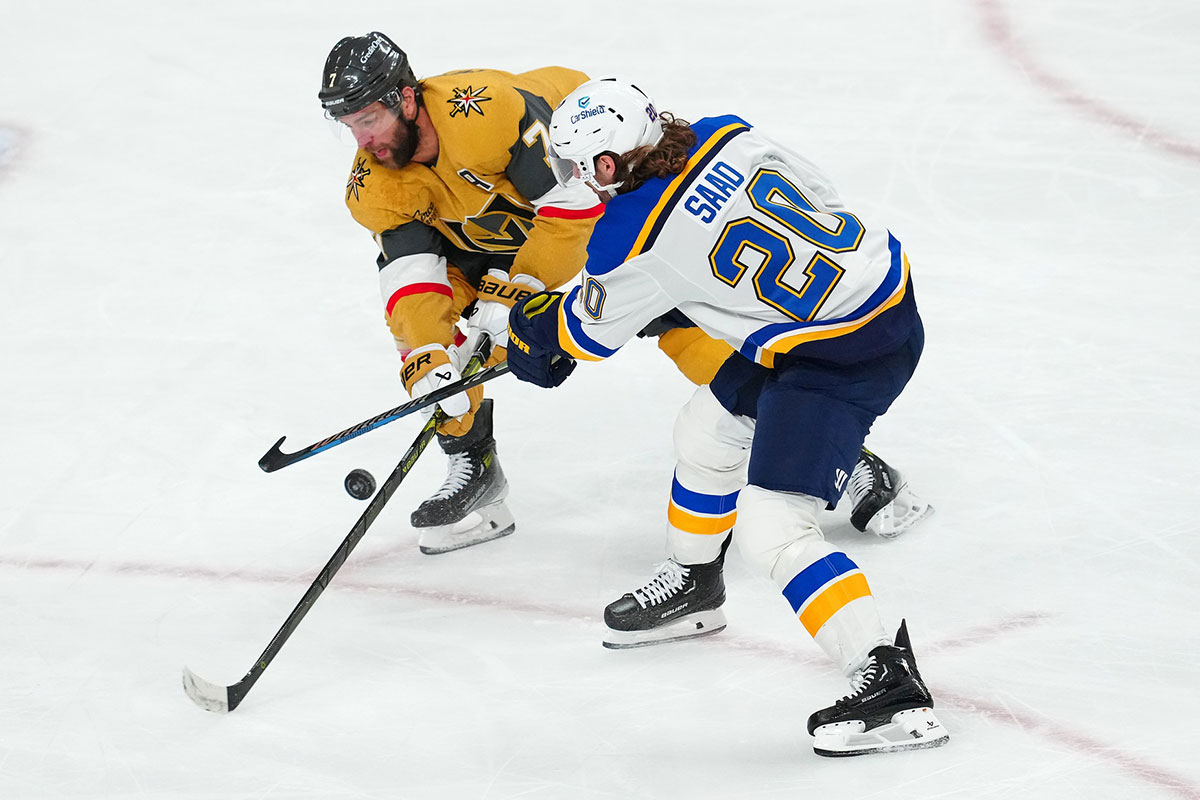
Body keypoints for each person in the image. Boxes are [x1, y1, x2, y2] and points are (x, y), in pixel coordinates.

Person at [318, 32, 928, 557]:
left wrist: (519, 297)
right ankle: (473, 463)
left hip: (594, 208)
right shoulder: (375, 181)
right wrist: (429, 351)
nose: (362, 141)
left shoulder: (482, 112)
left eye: (367, 120)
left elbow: (573, 207)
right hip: (488, 247)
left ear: (404, 97)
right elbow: (411, 268)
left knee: (681, 320)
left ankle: (836, 449)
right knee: (430, 342)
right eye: (349, 127)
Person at [505, 78, 949, 756]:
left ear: (606, 161)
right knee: (705, 429)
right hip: (877, 294)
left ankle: (889, 684)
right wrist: (700, 292)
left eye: (577, 167)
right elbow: (821, 198)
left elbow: (583, 336)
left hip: (838, 357)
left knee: (773, 529)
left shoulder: (630, 233)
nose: (578, 181)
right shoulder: (729, 133)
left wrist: (532, 334)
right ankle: (693, 582)